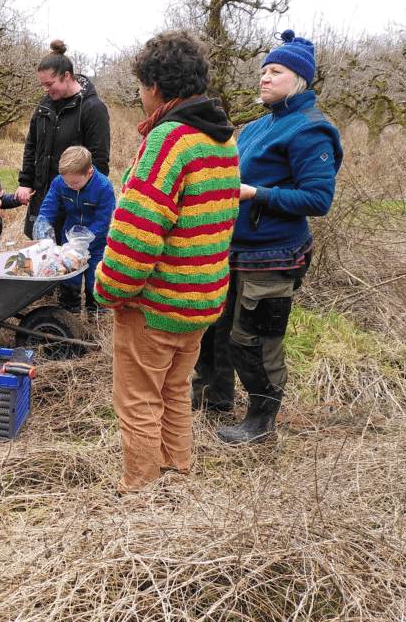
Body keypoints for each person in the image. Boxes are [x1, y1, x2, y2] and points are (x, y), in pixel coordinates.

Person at [93, 30, 240, 493]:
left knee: (138, 400)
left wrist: (108, 289)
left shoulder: (169, 140)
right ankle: (177, 475)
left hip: (156, 305)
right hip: (201, 300)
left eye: (140, 85)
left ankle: (139, 492)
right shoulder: (221, 140)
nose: (139, 95)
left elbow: (137, 232)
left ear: (157, 86)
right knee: (175, 391)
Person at [193, 30, 342, 445]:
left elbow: (317, 198)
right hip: (232, 248)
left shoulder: (311, 130)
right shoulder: (258, 126)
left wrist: (255, 193)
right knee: (215, 328)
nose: (264, 78)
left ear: (300, 79)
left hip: (275, 255)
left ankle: (260, 421)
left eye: (276, 71)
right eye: (263, 71)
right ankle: (212, 398)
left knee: (254, 341)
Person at [17, 39, 111, 241]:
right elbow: (31, 145)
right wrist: (25, 182)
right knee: (41, 260)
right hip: (44, 198)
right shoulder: (44, 104)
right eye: (42, 84)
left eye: (49, 84)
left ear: (66, 76)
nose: (45, 90)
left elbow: (100, 160)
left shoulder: (93, 108)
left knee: (70, 262)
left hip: (74, 202)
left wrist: (88, 201)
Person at [35, 146, 116, 315]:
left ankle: (96, 319)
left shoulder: (103, 187)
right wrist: (42, 227)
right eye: (67, 182)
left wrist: (85, 238)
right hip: (70, 241)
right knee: (69, 278)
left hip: (97, 243)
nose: (70, 186)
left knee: (95, 280)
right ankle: (68, 314)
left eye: (75, 183)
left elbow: (104, 221)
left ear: (89, 172)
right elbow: (47, 210)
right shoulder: (59, 183)